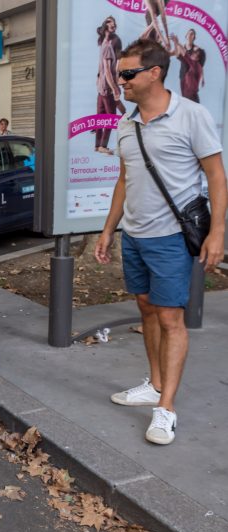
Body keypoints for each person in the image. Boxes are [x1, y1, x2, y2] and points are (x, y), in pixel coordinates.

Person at [93, 38, 226, 445]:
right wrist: (109, 229)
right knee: (147, 309)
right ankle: (154, 384)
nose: (121, 81)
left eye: (128, 74)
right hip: (134, 235)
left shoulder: (192, 116)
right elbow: (124, 180)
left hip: (171, 237)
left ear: (154, 73)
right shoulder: (126, 123)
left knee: (170, 319)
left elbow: (217, 177)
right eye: (119, 74)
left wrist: (218, 232)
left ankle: (166, 408)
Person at [95, 16, 124, 155]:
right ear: (106, 26)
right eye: (112, 24)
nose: (115, 26)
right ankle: (103, 145)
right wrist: (114, 88)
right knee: (110, 116)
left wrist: (98, 79)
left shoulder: (104, 44)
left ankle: (97, 146)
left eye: (115, 25)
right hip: (107, 86)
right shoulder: (107, 46)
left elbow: (103, 68)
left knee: (100, 116)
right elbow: (107, 70)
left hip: (101, 86)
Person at [171, 29, 206, 103]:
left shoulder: (195, 63)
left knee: (190, 100)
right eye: (189, 33)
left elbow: (186, 55)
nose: (193, 54)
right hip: (184, 77)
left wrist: (177, 42)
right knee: (185, 99)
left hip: (191, 86)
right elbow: (178, 55)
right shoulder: (189, 59)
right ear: (186, 36)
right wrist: (175, 43)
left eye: (192, 34)